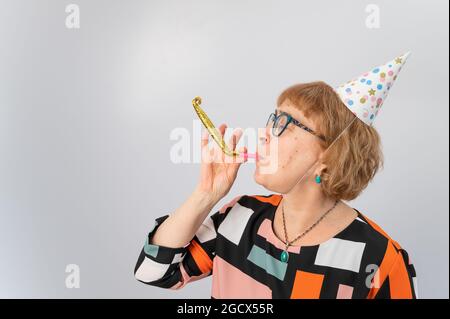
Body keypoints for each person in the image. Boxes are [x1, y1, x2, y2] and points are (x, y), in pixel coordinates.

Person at [134, 53, 418, 299]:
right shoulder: (240, 217)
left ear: (329, 156)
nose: (266, 133)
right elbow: (154, 272)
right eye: (273, 118)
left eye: (286, 124)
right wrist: (205, 195)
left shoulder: (380, 260)